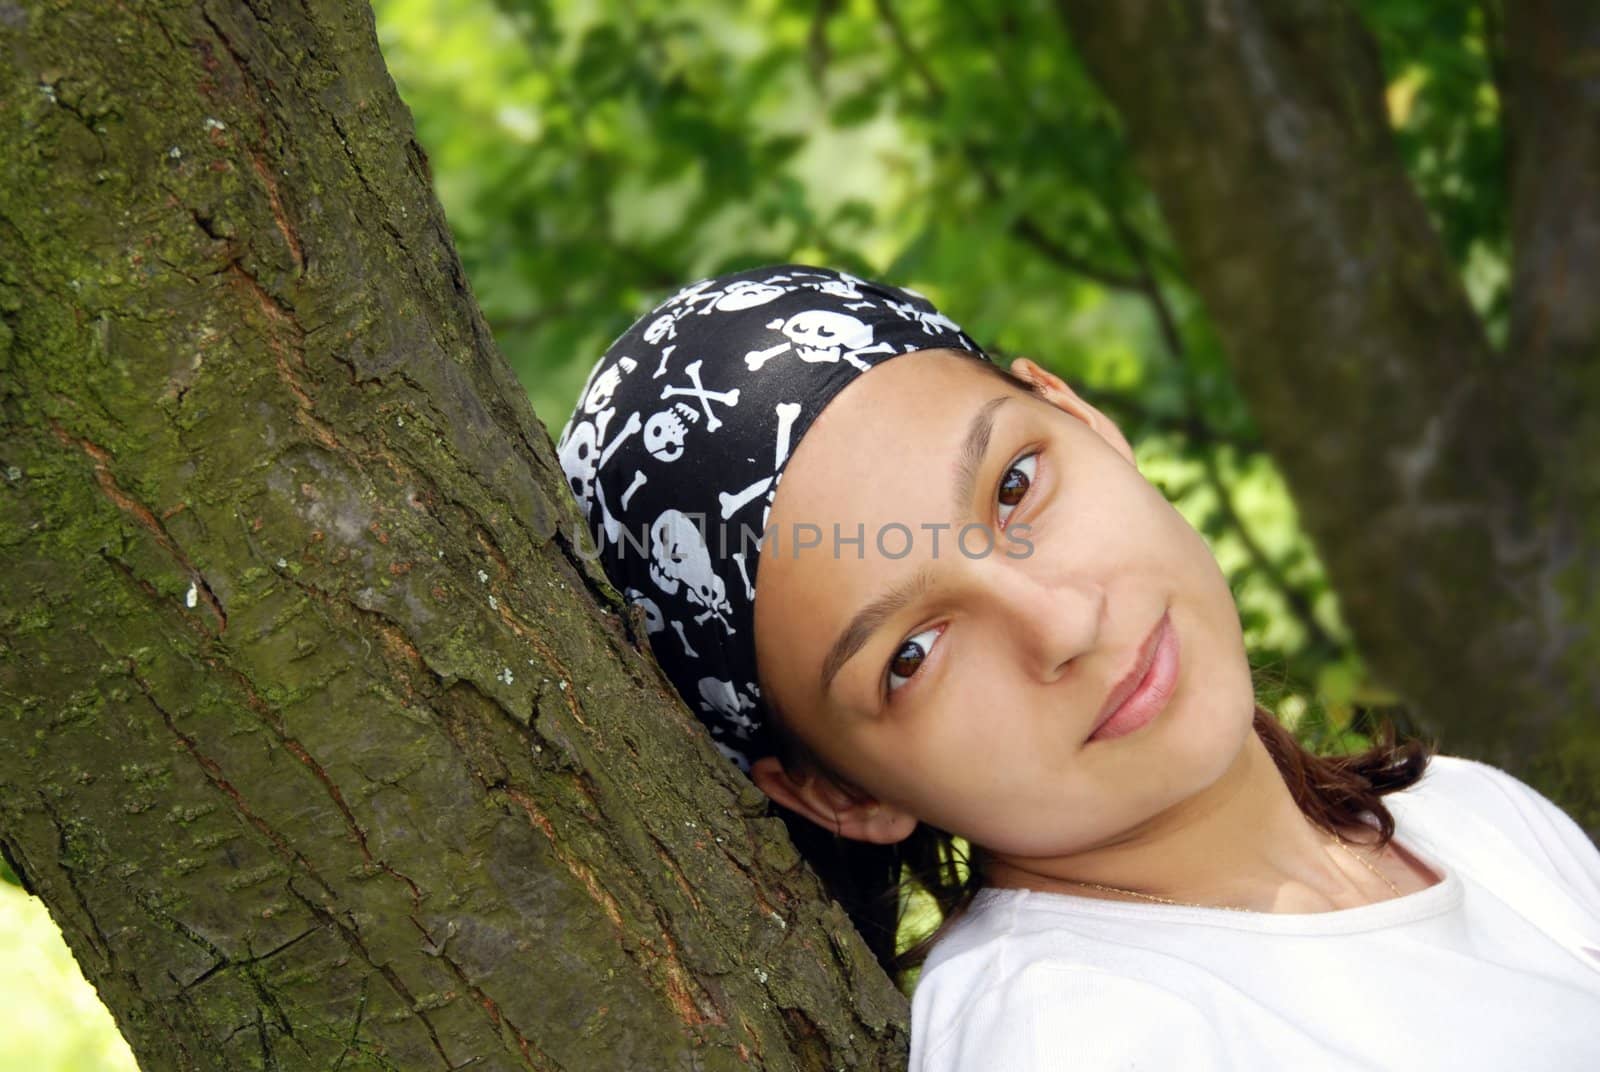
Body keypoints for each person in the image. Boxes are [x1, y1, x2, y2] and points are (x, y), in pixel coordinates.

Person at [556, 264, 1600, 1069]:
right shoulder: (1076, 1036)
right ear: (838, 791)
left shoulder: (1467, 816)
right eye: (910, 654)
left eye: (1013, 486)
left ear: (1082, 416)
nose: (1055, 619)